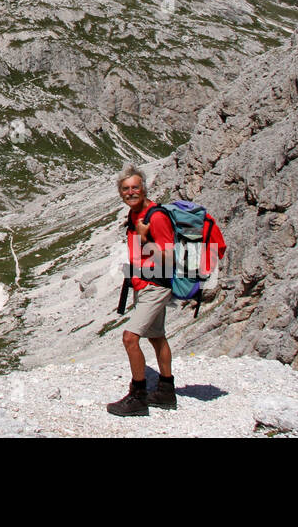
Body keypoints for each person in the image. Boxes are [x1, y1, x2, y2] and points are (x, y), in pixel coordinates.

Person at [106, 165, 177, 417]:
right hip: (143, 284)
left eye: (135, 187)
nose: (131, 192)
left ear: (144, 188)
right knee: (156, 336)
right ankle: (167, 391)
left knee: (130, 337)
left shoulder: (155, 216)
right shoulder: (134, 214)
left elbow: (169, 258)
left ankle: (138, 396)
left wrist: (146, 239)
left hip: (155, 286)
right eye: (125, 189)